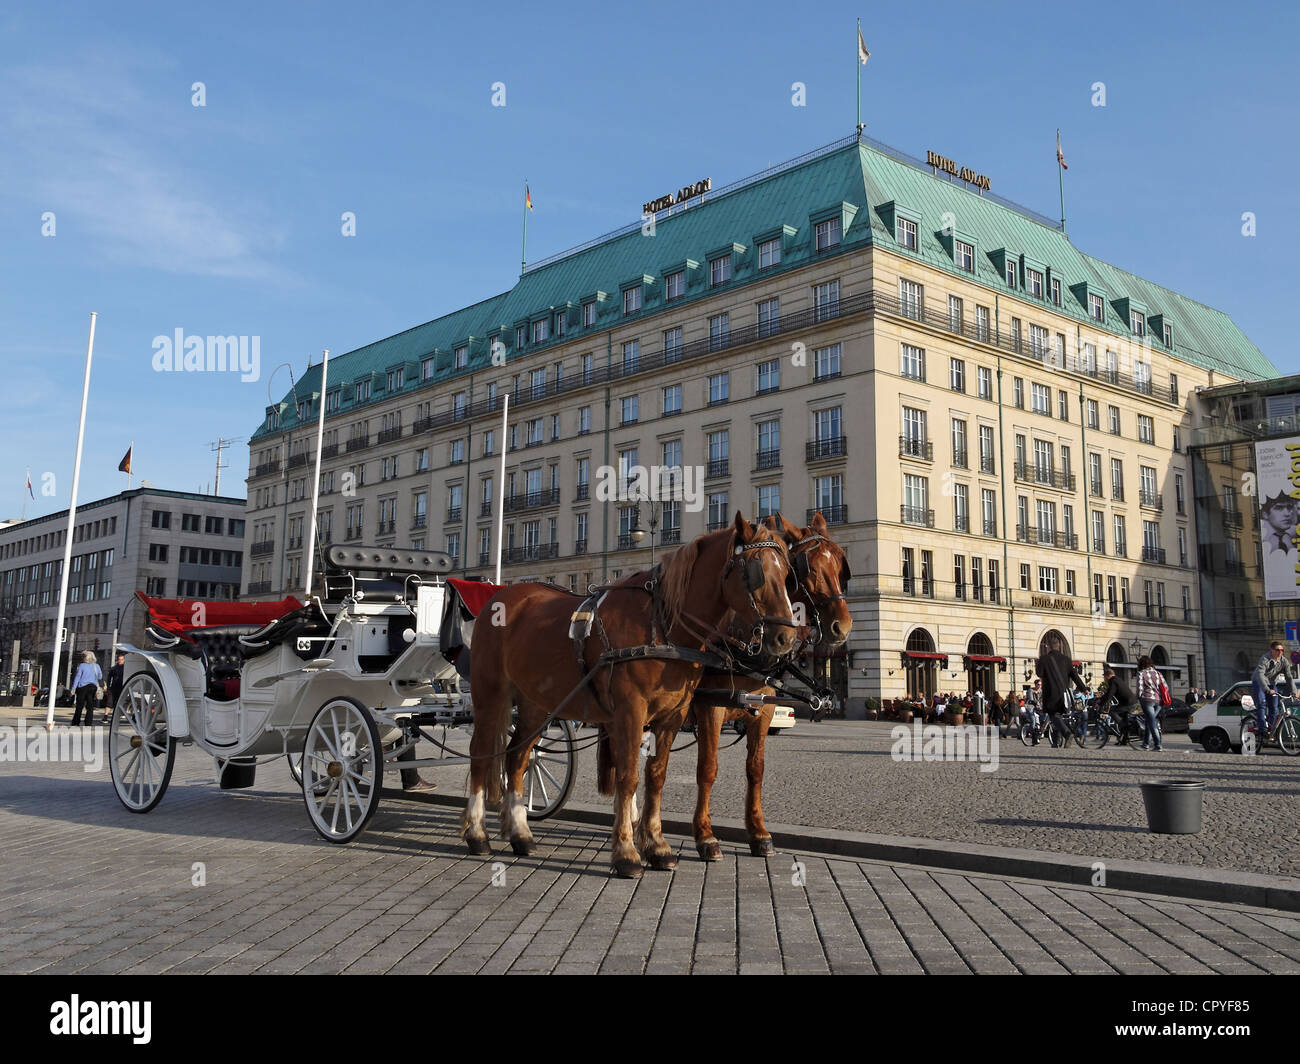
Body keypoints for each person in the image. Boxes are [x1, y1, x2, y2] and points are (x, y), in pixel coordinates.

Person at [1035, 637, 1088, 747]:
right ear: (1058, 647)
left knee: (1053, 715)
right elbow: (1075, 676)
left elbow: (1039, 673)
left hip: (1051, 693)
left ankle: (1067, 733)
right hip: (1064, 693)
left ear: (1048, 647)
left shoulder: (1044, 659)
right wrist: (1084, 689)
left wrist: (1037, 663)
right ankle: (1056, 742)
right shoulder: (1066, 659)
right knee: (1058, 716)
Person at [1251, 640, 1291, 740]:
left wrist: (1294, 692)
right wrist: (1267, 689)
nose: (1280, 652)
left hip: (1272, 683)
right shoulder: (1265, 659)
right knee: (1261, 703)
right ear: (1271, 650)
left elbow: (1289, 677)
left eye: (1282, 650)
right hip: (1259, 682)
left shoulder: (1284, 661)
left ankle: (1270, 728)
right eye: (1278, 650)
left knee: (1274, 707)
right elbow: (1260, 675)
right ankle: (1262, 729)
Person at [1135, 655, 1169, 751]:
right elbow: (1166, 687)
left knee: (1152, 722)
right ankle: (1146, 743)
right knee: (1149, 721)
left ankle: (1158, 745)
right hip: (1158, 701)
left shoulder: (1141, 673)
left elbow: (1140, 688)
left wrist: (1137, 698)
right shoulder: (1158, 673)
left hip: (1147, 700)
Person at [1102, 666, 1139, 745]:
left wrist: (1101, 704)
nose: (1104, 679)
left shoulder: (1113, 681)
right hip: (1130, 702)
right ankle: (1124, 740)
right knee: (1124, 720)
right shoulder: (1117, 679)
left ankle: (1122, 725)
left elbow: (1109, 695)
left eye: (1104, 677)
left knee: (1112, 711)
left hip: (1128, 703)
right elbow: (1108, 694)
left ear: (1108, 676)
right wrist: (1101, 701)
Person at [70, 651, 102, 727]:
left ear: (86, 658)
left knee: (79, 705)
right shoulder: (96, 666)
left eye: (84, 656)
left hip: (82, 687)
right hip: (92, 687)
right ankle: (88, 722)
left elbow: (77, 677)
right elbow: (100, 677)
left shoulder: (82, 666)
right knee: (90, 706)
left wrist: (73, 688)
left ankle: (76, 722)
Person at [105, 652, 126, 724]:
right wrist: (108, 687)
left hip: (122, 687)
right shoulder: (114, 668)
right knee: (109, 702)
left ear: (124, 660)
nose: (120, 661)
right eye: (119, 659)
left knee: (118, 702)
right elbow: (109, 678)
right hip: (113, 687)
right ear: (117, 660)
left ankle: (115, 717)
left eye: (122, 659)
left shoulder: (125, 668)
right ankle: (105, 716)